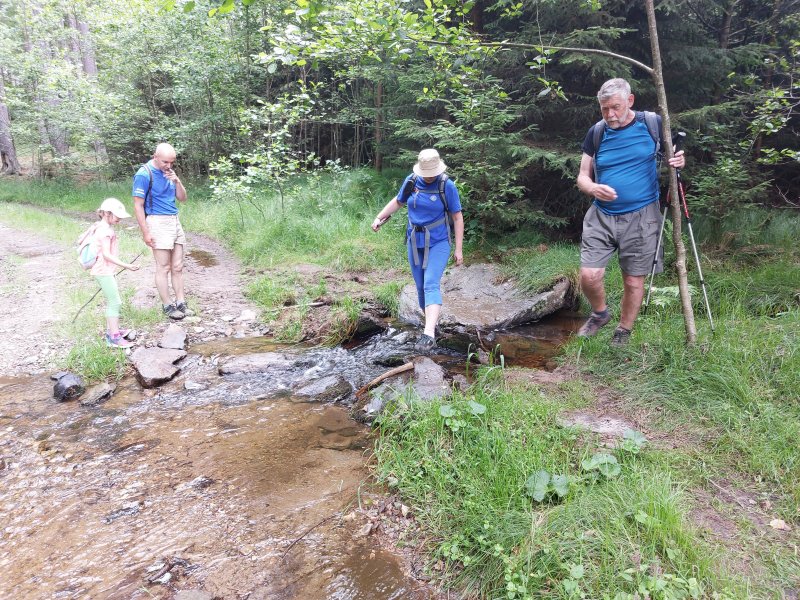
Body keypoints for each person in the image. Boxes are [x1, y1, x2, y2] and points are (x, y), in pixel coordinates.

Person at [575, 77, 685, 347]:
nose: (610, 114)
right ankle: (600, 313)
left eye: (615, 107)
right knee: (589, 276)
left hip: (642, 215)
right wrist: (593, 188)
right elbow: (582, 177)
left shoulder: (653, 124)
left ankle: (623, 331)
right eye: (604, 109)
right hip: (601, 214)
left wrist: (679, 160)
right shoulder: (597, 132)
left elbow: (675, 157)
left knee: (634, 281)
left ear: (630, 101)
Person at [372, 148, 464, 353]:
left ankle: (428, 333)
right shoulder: (412, 181)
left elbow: (457, 217)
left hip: (439, 242)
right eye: (426, 173)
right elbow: (398, 201)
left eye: (432, 172)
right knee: (421, 286)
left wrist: (458, 249)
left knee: (431, 283)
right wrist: (379, 218)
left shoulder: (446, 185)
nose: (429, 176)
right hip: (414, 241)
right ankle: (431, 326)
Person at [132, 143, 190, 320]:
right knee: (163, 267)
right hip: (157, 221)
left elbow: (183, 198)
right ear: (155, 156)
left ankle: (181, 303)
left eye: (172, 162)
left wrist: (176, 180)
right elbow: (138, 205)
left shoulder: (170, 173)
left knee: (178, 266)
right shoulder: (144, 174)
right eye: (165, 161)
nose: (169, 165)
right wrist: (146, 232)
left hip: (174, 219)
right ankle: (167, 305)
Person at [90, 198, 140, 348]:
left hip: (103, 269)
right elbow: (106, 254)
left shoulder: (100, 227)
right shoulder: (105, 231)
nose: (119, 218)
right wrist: (127, 265)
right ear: (106, 213)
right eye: (117, 215)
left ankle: (113, 330)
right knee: (115, 302)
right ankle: (114, 337)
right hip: (103, 270)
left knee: (113, 301)